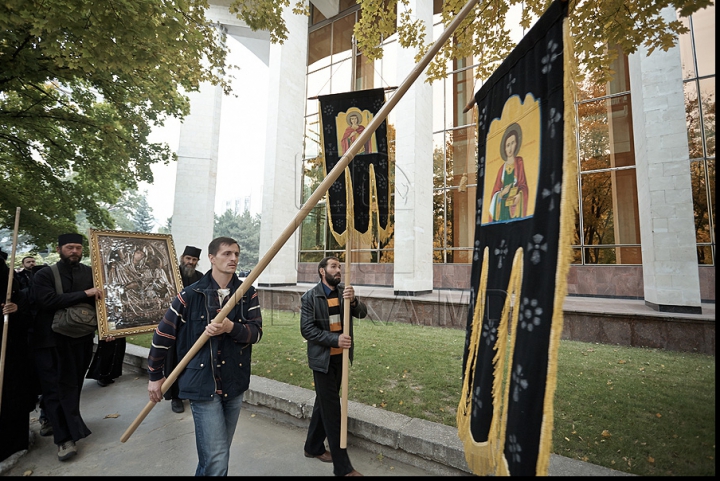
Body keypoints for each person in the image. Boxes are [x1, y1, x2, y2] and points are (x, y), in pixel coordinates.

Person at [147, 237, 263, 476]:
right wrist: (155, 376)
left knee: (216, 456)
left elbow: (256, 333)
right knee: (217, 458)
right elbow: (162, 336)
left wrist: (231, 327)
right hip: (202, 384)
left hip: (233, 382)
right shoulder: (189, 296)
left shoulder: (247, 294)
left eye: (237, 254)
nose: (233, 259)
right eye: (227, 254)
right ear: (211, 258)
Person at [30, 233, 104, 462]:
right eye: (70, 247)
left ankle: (56, 420)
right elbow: (46, 301)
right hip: (50, 342)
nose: (74, 252)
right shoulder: (44, 274)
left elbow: (102, 303)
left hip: (80, 341)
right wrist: (85, 294)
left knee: (72, 387)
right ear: (59, 248)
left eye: (78, 248)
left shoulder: (90, 274)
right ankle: (64, 439)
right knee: (54, 389)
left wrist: (107, 331)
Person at [300, 256, 367, 477]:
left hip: (341, 360)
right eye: (334, 267)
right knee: (332, 411)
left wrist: (354, 300)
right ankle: (343, 468)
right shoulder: (310, 297)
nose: (338, 270)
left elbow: (362, 313)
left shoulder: (343, 293)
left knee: (323, 402)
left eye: (339, 267)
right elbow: (307, 330)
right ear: (322, 271)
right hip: (323, 362)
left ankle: (313, 447)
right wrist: (334, 340)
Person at [0, 249, 36, 463]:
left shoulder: (9, 278)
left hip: (12, 347)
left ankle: (14, 440)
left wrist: (16, 308)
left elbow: (24, 302)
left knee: (12, 393)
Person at [163, 245, 204, 414]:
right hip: (173, 325)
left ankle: (189, 391)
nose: (190, 262)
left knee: (191, 360)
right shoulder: (171, 274)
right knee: (173, 360)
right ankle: (175, 397)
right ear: (182, 258)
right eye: (188, 259)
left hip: (192, 326)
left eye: (194, 260)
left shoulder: (201, 277)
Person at [489, 123, 528, 222]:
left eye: (512, 143)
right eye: (507, 145)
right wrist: (502, 193)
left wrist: (520, 195)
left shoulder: (519, 163)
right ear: (504, 148)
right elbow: (494, 193)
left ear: (516, 143)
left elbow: (523, 185)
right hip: (502, 209)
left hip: (514, 207)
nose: (510, 148)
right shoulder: (502, 169)